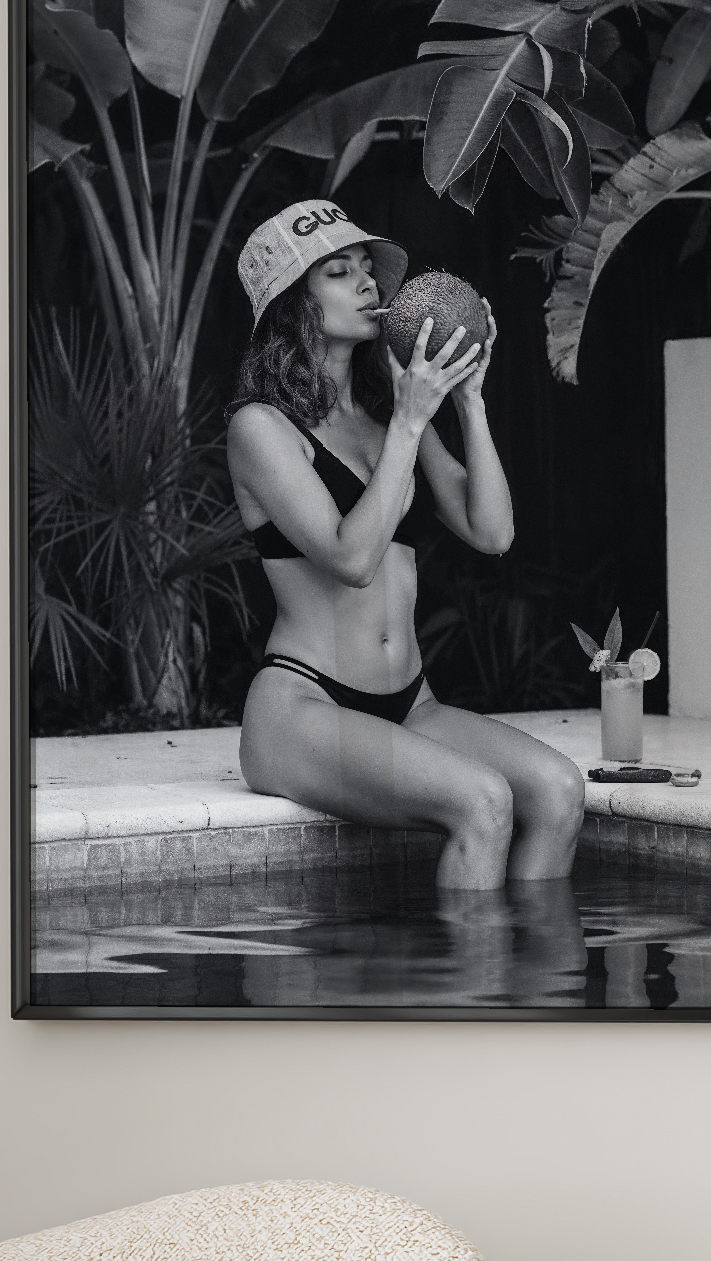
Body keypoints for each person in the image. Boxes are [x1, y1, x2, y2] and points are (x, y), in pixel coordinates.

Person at [226, 199, 584, 891]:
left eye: (369, 270)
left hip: (411, 702)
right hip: (304, 708)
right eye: (339, 272)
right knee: (482, 804)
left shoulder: (388, 420)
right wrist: (412, 424)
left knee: (559, 792)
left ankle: (539, 991)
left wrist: (467, 401)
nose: (369, 285)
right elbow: (352, 560)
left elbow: (494, 532)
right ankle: (460, 995)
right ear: (292, 304)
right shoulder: (261, 428)